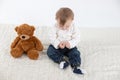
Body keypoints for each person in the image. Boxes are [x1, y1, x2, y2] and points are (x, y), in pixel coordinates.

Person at [47, 7, 83, 74]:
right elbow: (51, 37)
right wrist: (57, 43)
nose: (64, 28)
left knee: (75, 53)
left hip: (70, 47)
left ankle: (76, 66)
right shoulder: (54, 27)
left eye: (67, 26)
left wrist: (70, 43)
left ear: (72, 20)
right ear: (56, 20)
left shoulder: (74, 27)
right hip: (58, 47)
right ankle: (62, 61)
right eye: (60, 25)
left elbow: (77, 38)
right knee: (50, 51)